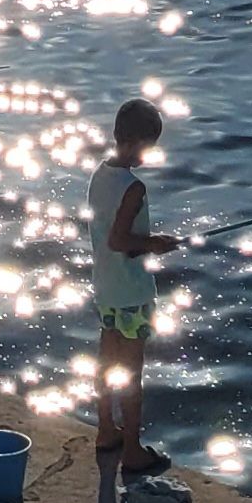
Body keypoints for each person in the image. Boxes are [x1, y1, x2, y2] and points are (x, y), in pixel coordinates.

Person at [89, 97, 179, 477]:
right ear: (140, 142)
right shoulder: (134, 188)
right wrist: (154, 243)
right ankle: (132, 452)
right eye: (148, 147)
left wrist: (147, 241)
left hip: (106, 289)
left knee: (107, 362)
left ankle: (107, 431)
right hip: (131, 294)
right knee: (131, 374)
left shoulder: (99, 174)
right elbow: (119, 240)